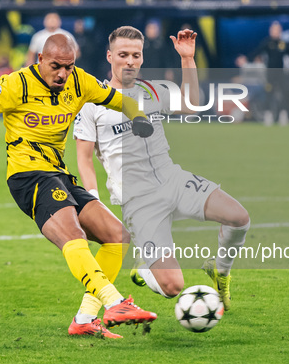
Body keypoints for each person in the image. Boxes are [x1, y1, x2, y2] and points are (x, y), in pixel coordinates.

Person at [0, 34, 157, 339]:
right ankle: (116, 303)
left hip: (58, 174)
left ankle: (84, 319)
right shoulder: (16, 84)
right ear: (40, 59)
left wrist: (139, 117)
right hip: (27, 175)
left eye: (68, 67)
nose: (62, 74)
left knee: (116, 236)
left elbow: (122, 100)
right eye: (56, 66)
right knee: (72, 233)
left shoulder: (80, 82)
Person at [73, 26, 250, 312]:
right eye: (123, 55)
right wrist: (92, 198)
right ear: (110, 56)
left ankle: (220, 272)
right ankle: (144, 267)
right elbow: (83, 157)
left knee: (239, 218)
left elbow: (191, 106)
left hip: (172, 179)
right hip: (139, 201)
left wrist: (187, 60)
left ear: (142, 58)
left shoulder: (152, 89)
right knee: (172, 288)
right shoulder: (92, 103)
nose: (130, 61)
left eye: (136, 55)